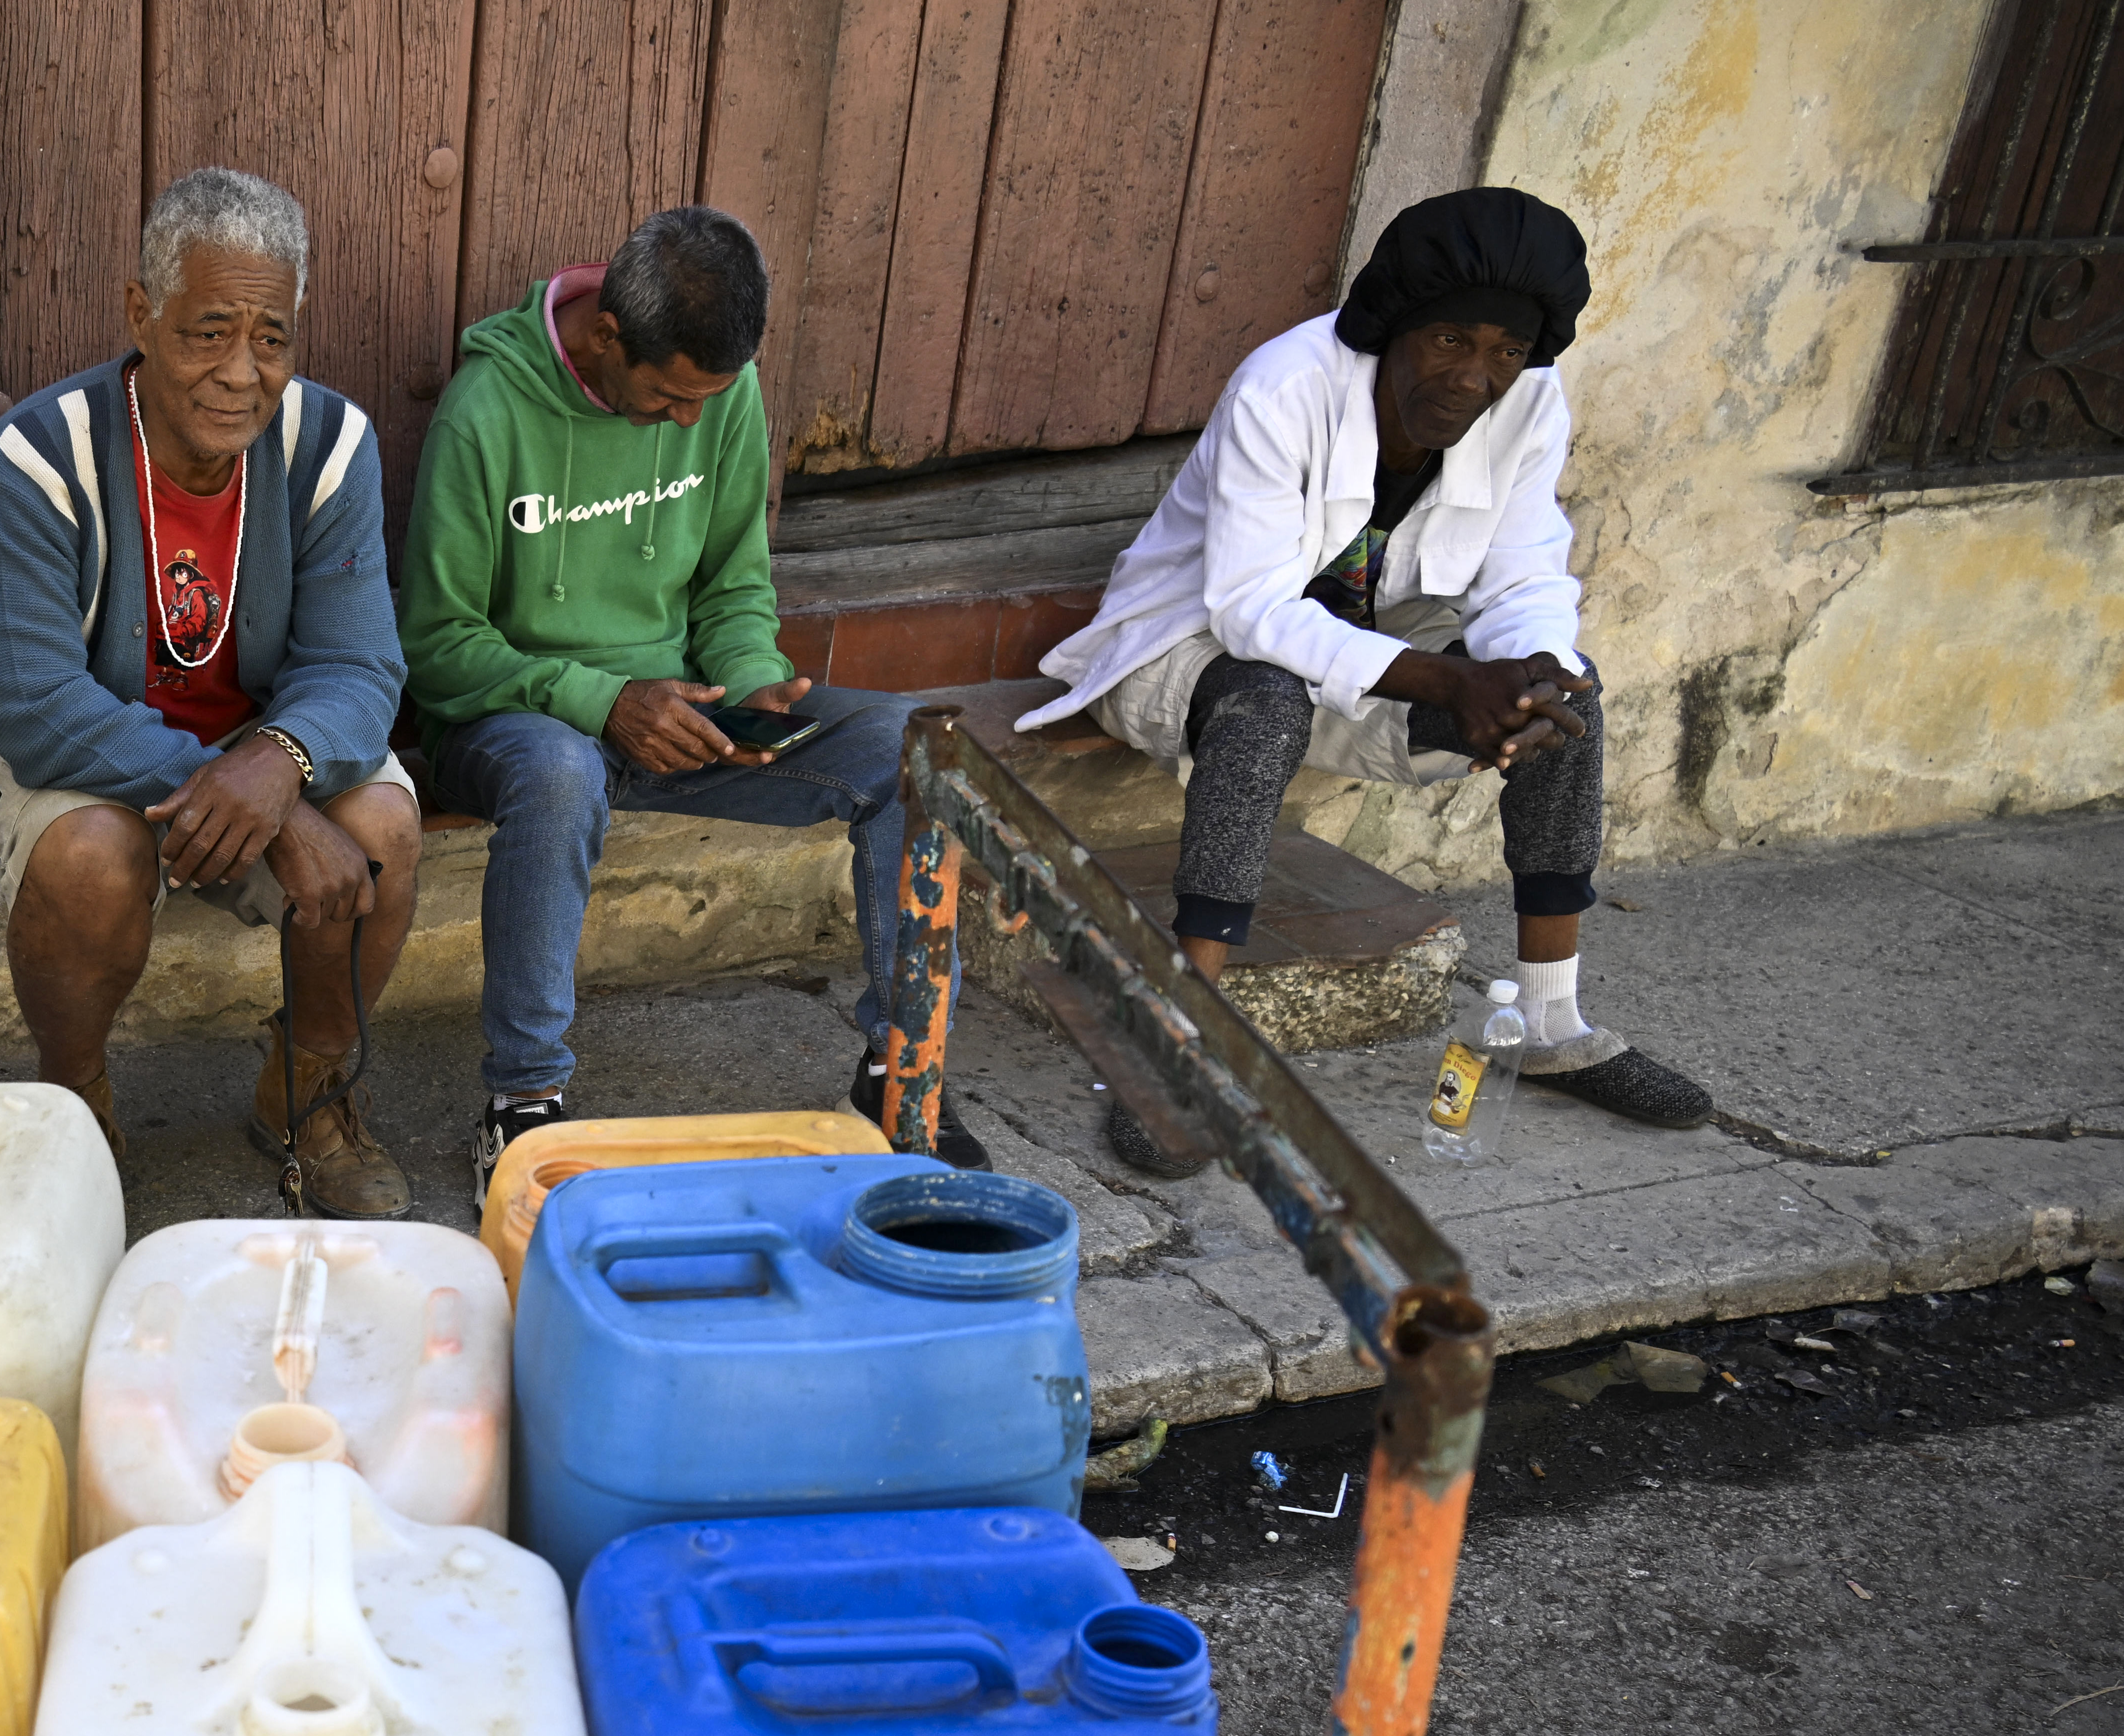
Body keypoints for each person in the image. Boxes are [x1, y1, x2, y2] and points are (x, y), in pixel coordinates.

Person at [1026, 185, 1710, 1178]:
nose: (1475, 378)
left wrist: (1529, 678)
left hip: (1372, 658)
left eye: (1503, 354)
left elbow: (1525, 574)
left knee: (1572, 691)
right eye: (1451, 344)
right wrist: (1444, 680)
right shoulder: (1284, 387)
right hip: (1188, 654)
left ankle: (1553, 1020)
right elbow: (1250, 608)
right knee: (1265, 699)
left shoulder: (1529, 404)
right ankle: (1173, 1043)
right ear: (1397, 323)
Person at [400, 205, 972, 1198]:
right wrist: (605, 699)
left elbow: (731, 585)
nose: (690, 423)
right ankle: (523, 1104)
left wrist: (754, 679)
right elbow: (438, 647)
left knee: (911, 751)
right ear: (606, 338)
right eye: (669, 398)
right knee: (559, 769)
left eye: (709, 398)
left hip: (684, 712)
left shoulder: (725, 390)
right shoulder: (485, 412)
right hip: (513, 722)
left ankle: (902, 1074)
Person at [0, 168, 416, 1217]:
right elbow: (40, 706)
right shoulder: (41, 456)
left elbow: (361, 668)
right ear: (140, 316)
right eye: (209, 333)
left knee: (382, 822)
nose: (244, 373)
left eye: (273, 339)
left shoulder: (330, 447)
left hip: (256, 746)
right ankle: (74, 1104)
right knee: (93, 857)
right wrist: (244, 795)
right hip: (82, 759)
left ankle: (310, 1093)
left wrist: (277, 768)